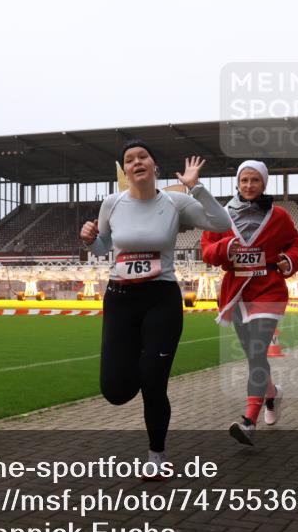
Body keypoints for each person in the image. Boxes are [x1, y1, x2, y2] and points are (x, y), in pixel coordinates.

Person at [80, 140, 230, 477]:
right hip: (120, 299)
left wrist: (196, 187)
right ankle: (138, 364)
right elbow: (105, 246)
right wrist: (89, 237)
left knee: (153, 382)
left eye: (142, 156)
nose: (136, 162)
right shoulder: (112, 203)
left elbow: (221, 224)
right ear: (125, 170)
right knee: (116, 391)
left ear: (154, 165)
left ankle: (156, 456)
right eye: (129, 159)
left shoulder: (175, 202)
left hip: (161, 298)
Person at [200, 160, 298, 446]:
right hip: (237, 295)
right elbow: (207, 250)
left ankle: (248, 421)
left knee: (258, 352)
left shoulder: (278, 216)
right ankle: (272, 395)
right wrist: (224, 248)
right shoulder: (220, 215)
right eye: (244, 180)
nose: (249, 185)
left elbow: (296, 244)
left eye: (254, 180)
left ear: (264, 184)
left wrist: (289, 261)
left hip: (269, 291)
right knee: (254, 357)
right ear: (237, 182)